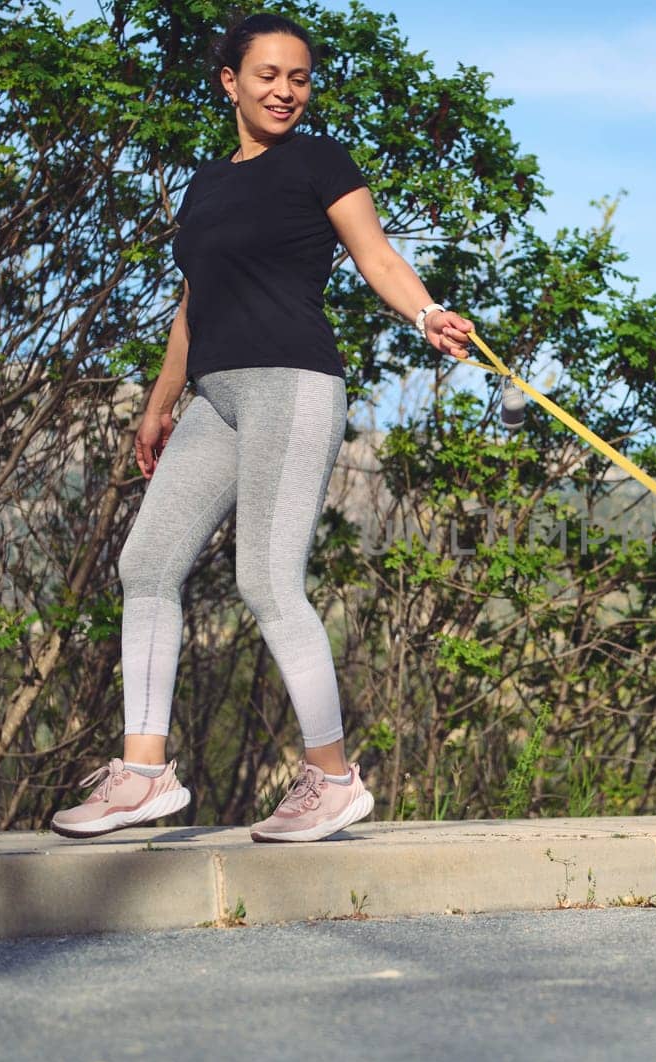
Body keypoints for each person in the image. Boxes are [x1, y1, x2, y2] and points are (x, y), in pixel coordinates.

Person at [52, 13, 473, 842]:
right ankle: (142, 773)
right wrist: (160, 399)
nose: (286, 91)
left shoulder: (320, 161)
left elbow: (375, 253)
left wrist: (425, 311)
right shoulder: (206, 186)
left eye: (300, 78)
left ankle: (333, 777)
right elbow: (193, 301)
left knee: (268, 583)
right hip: (215, 396)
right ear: (230, 82)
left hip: (293, 383)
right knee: (146, 564)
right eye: (269, 75)